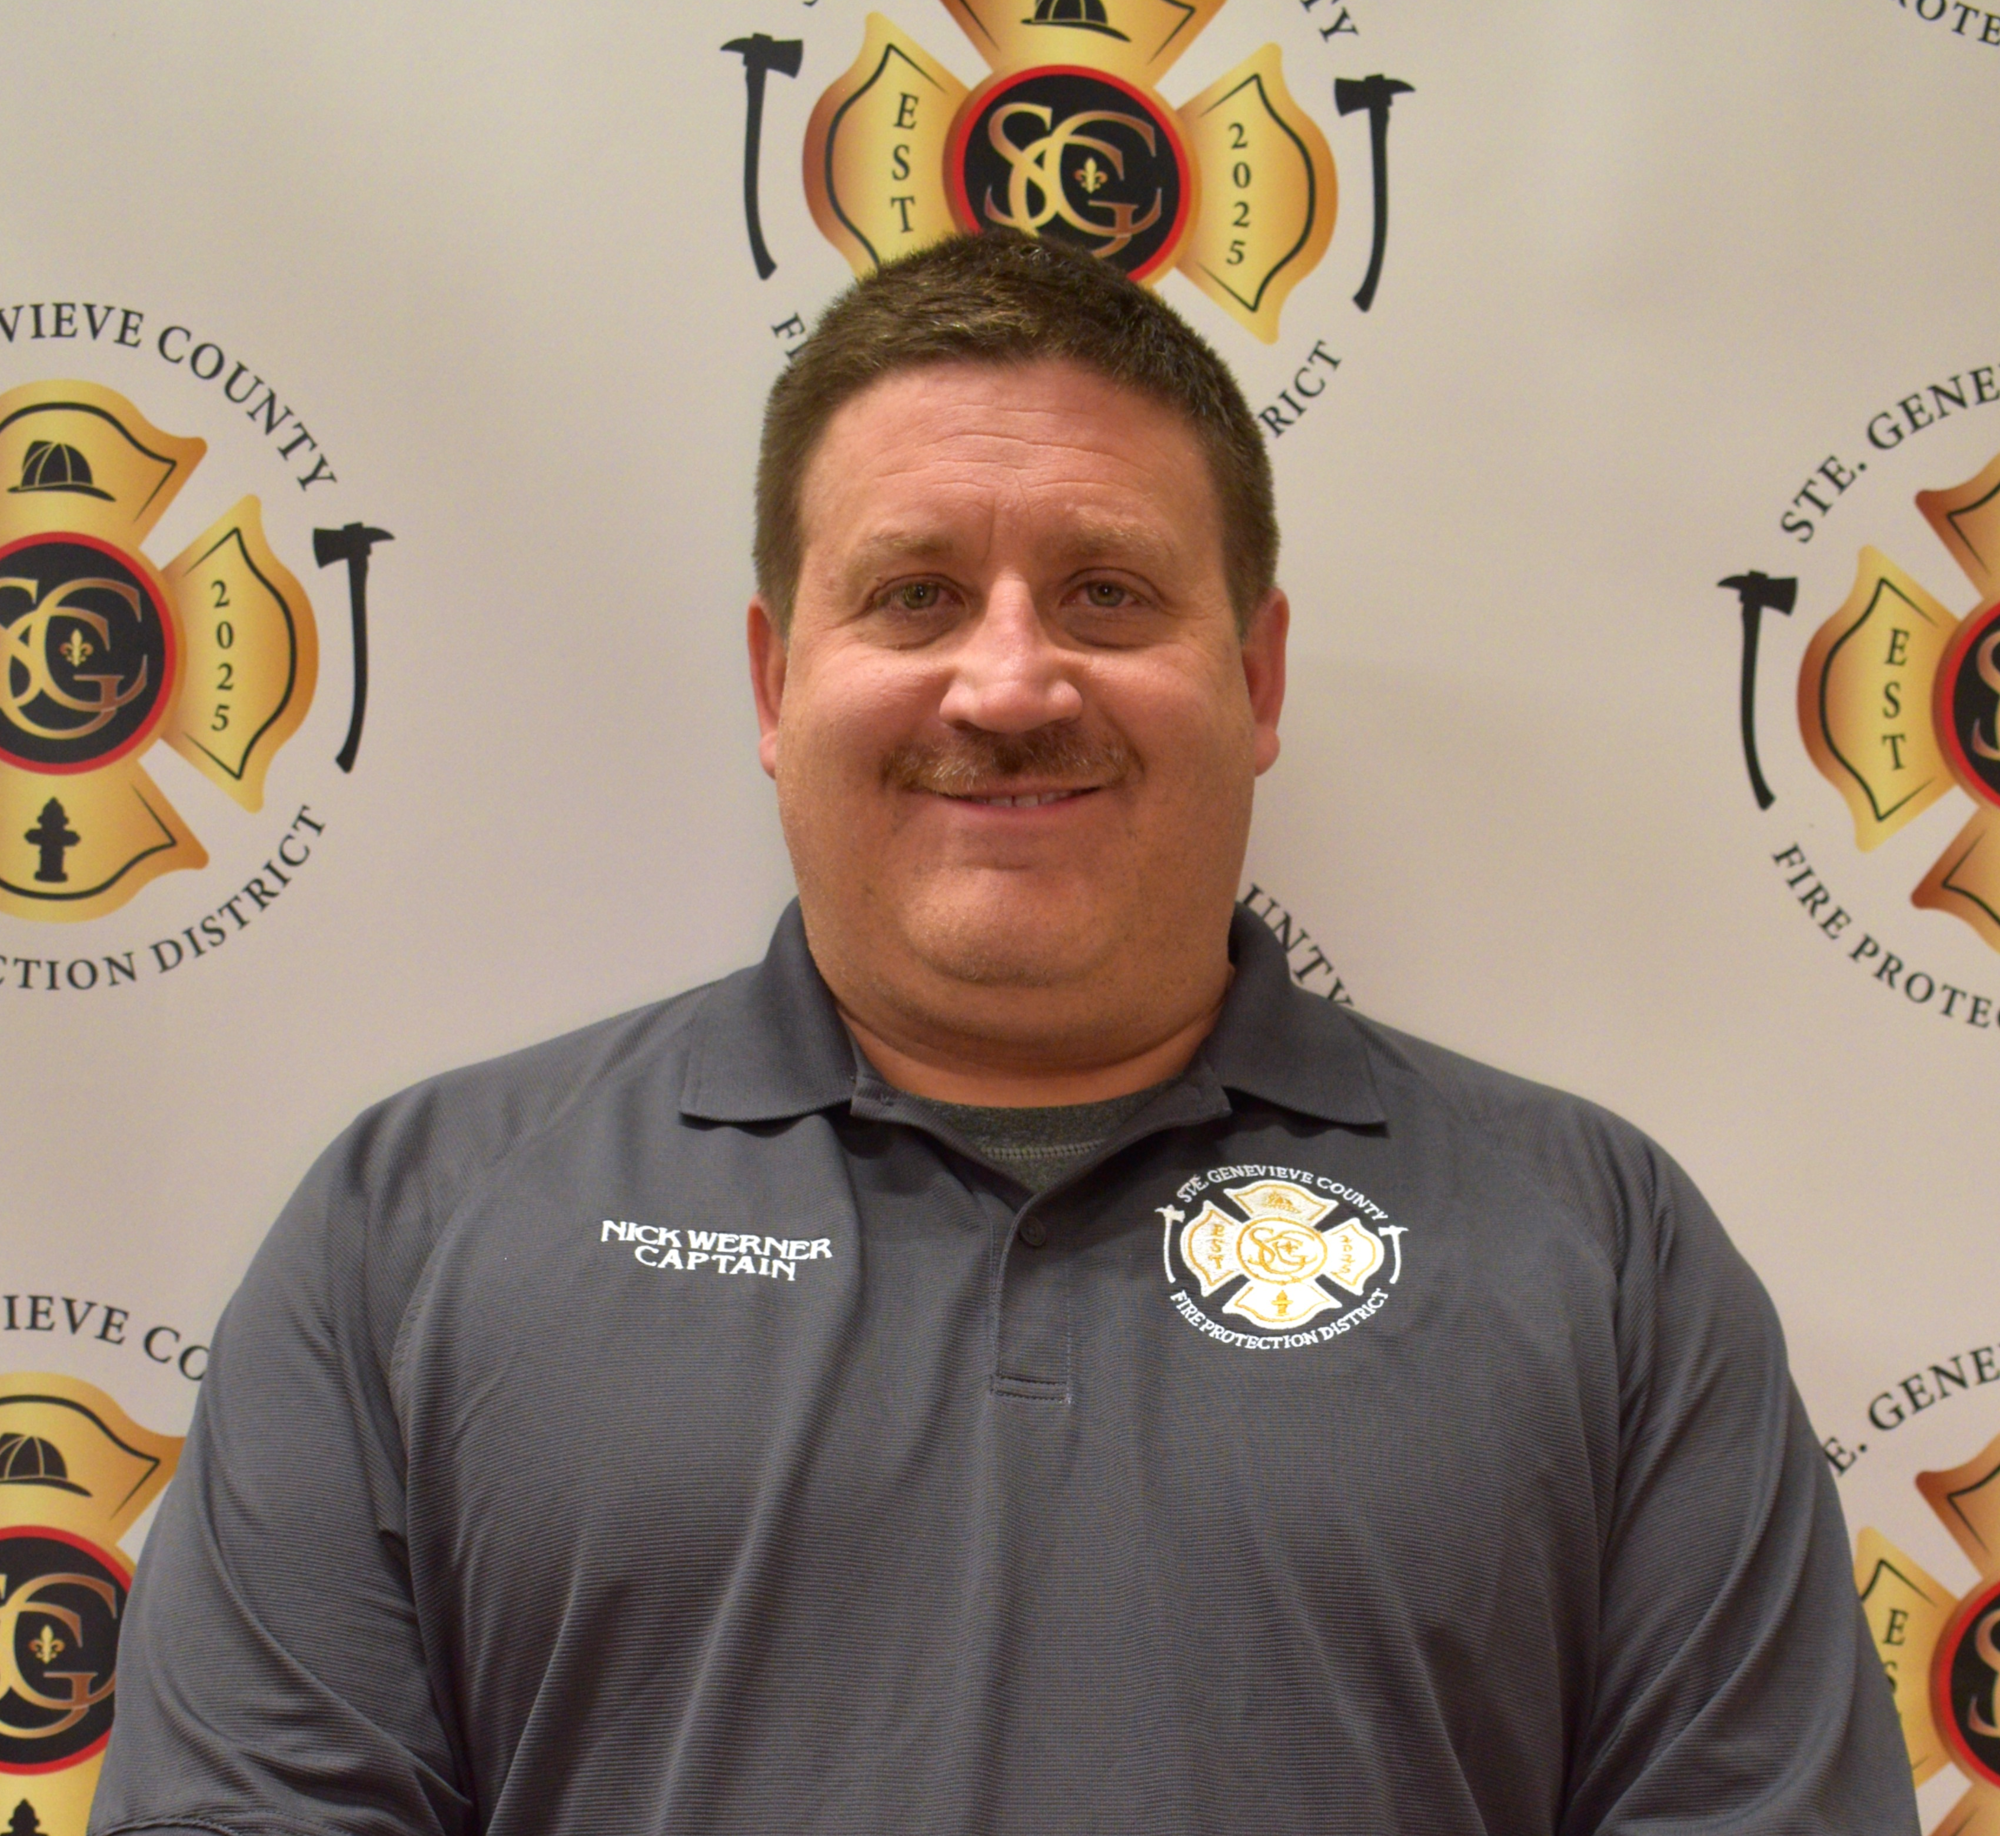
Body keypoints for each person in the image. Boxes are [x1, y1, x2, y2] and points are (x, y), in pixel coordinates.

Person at [91, 233, 1916, 1836]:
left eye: (1109, 594)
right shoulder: (414, 1227)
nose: (1011, 680)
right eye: (914, 595)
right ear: (771, 677)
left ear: (1258, 678)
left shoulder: (1600, 1249)